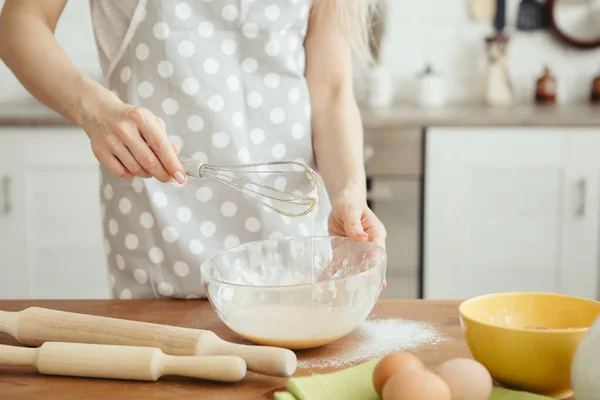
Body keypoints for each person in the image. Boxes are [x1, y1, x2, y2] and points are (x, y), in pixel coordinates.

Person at [0, 0, 386, 299]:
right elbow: (19, 24)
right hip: (163, 245)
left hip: (295, 239)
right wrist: (95, 110)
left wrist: (349, 191)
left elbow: (331, 92)